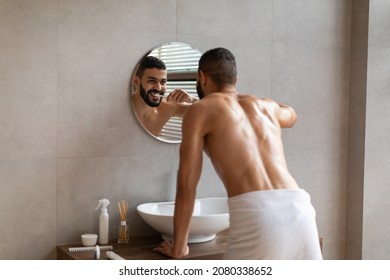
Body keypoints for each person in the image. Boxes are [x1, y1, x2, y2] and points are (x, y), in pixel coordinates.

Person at [154, 47, 323, 260]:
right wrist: (270, 104)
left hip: (259, 215)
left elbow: (187, 187)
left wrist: (180, 247)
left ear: (202, 77)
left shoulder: (200, 111)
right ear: (235, 78)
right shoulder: (265, 106)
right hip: (300, 210)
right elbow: (292, 115)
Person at [131, 56, 197, 137]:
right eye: (152, 81)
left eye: (163, 82)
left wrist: (192, 99)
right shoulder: (121, 108)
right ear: (136, 82)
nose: (158, 88)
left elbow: (209, 112)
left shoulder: (168, 107)